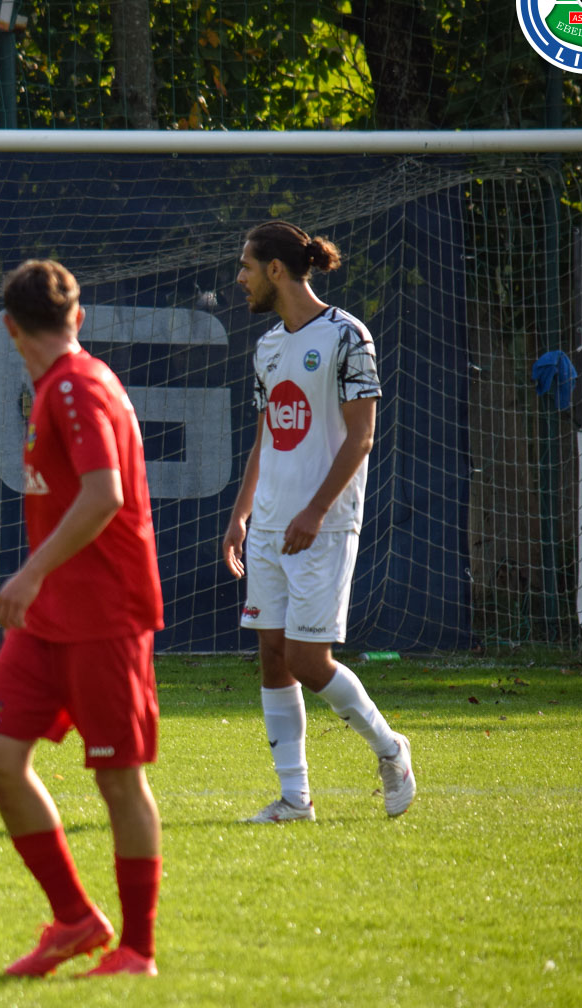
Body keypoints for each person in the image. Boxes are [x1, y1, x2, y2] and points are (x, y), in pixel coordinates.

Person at [0, 260, 164, 979]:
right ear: (77, 317)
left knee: (119, 779)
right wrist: (38, 586)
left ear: (9, 329)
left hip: (105, 614)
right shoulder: (60, 384)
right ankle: (75, 920)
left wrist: (29, 573)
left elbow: (104, 495)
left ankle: (137, 950)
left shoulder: (78, 386)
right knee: (0, 759)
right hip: (48, 616)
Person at [220, 220, 416, 823]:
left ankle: (391, 749)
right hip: (269, 526)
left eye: (247, 266)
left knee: (308, 660)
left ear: (276, 270)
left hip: (322, 527)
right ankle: (294, 799)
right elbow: (265, 440)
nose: (240, 277)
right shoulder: (267, 347)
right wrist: (240, 516)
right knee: (273, 656)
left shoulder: (347, 335)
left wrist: (315, 510)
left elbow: (361, 438)